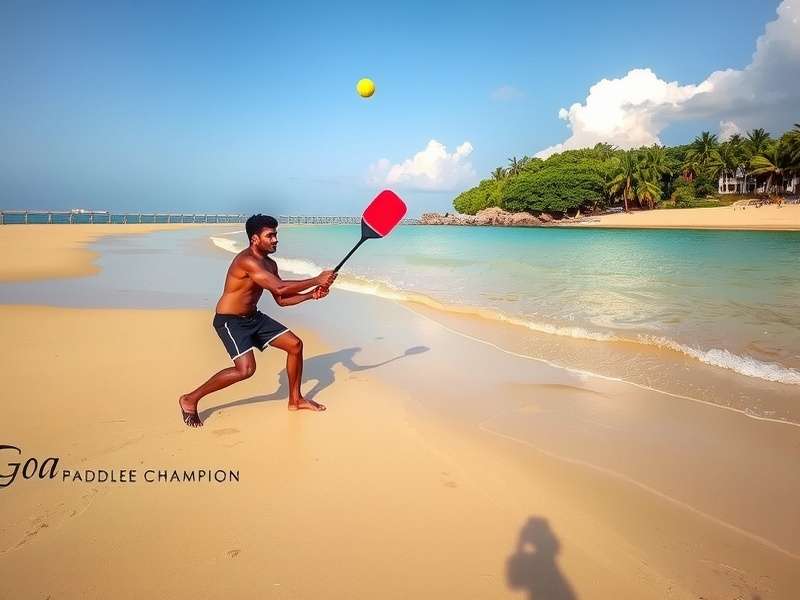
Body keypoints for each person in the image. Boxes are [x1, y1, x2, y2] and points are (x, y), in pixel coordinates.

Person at [179, 214, 337, 427]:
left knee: (295, 345)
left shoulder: (270, 264)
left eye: (276, 234)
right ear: (255, 239)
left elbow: (281, 299)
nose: (275, 239)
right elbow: (279, 287)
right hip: (230, 321)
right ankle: (190, 399)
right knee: (245, 370)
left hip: (253, 317)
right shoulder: (246, 260)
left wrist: (311, 294)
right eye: (270, 235)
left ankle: (296, 400)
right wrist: (316, 279)